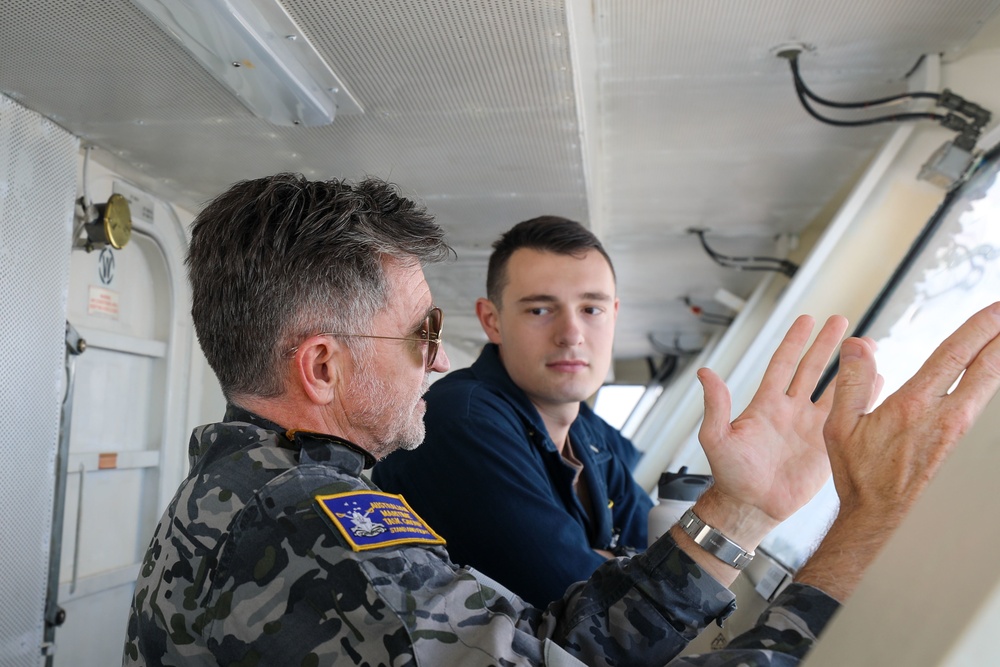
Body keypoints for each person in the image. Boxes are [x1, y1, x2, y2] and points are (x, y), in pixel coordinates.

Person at [122, 172, 1000, 667]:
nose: (439, 356)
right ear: (322, 365)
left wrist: (742, 509)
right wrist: (869, 529)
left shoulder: (263, 485)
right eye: (425, 332)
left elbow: (541, 644)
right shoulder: (314, 525)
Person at [374, 216, 654, 607]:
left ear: (614, 313)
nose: (572, 334)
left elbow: (655, 549)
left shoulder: (587, 432)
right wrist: (619, 566)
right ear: (493, 321)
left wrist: (615, 566)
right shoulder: (462, 420)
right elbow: (595, 606)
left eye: (592, 309)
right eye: (540, 310)